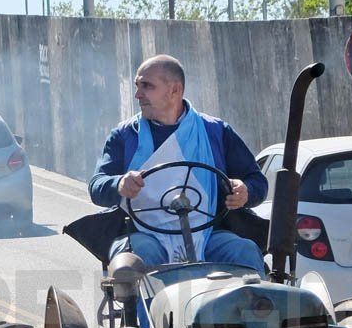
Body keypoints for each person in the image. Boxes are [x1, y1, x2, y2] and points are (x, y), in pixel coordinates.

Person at [87, 54, 267, 272]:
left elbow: (257, 181)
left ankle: (250, 306)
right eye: (137, 85)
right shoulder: (124, 135)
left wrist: (245, 192)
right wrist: (119, 184)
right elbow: (97, 185)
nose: (137, 94)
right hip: (144, 235)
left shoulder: (216, 131)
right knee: (137, 256)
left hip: (209, 234)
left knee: (244, 250)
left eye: (147, 86)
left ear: (175, 90)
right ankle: (150, 308)